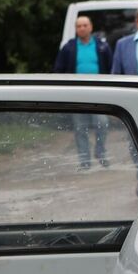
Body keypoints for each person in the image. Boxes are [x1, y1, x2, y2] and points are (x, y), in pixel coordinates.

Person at [53, 14, 112, 168]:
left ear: (91, 27)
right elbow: (58, 70)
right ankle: (85, 160)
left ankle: (100, 151)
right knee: (80, 128)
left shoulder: (102, 46)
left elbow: (111, 69)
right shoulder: (69, 48)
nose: (82, 28)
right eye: (79, 26)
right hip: (76, 94)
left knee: (102, 123)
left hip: (99, 94)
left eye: (85, 25)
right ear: (76, 29)